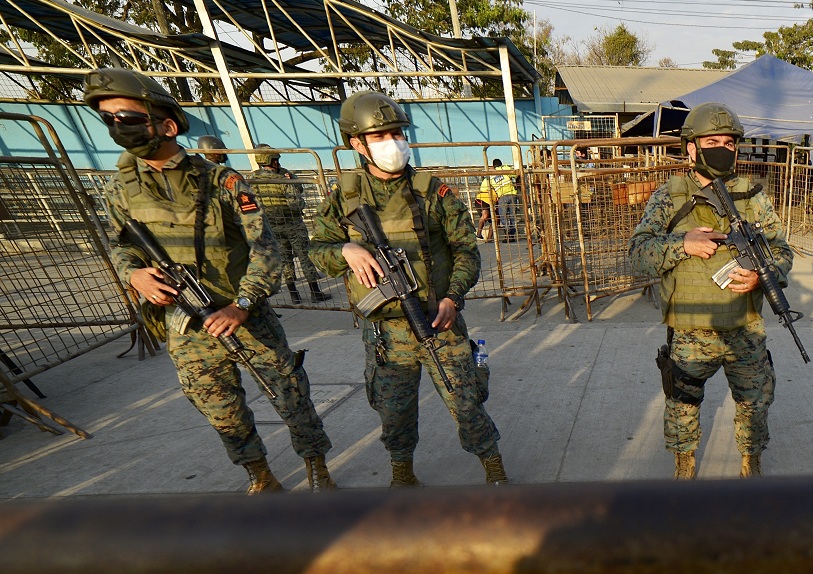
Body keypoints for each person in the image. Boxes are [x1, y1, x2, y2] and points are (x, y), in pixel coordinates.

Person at [83, 67, 336, 493]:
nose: (116, 127)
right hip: (186, 324)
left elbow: (266, 248)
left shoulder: (222, 182)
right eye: (108, 119)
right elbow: (122, 245)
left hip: (244, 314)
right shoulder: (119, 189)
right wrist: (134, 274)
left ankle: (317, 467)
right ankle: (260, 475)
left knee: (290, 393)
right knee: (220, 408)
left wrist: (243, 303)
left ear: (167, 125)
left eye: (126, 117)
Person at [308, 90, 507, 487]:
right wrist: (345, 250)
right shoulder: (344, 196)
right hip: (385, 332)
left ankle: (495, 471)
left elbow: (466, 250)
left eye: (397, 133)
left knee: (466, 402)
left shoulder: (431, 190)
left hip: (438, 321)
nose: (393, 143)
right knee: (393, 412)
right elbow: (317, 250)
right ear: (357, 144)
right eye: (380, 136)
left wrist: (453, 297)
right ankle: (402, 475)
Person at [629, 102, 793, 480]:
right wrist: (682, 243)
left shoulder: (752, 196)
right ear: (691, 147)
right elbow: (638, 254)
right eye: (713, 142)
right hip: (691, 330)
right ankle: (684, 467)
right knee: (682, 407)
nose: (724, 149)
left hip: (744, 327)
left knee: (755, 403)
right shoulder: (669, 196)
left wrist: (763, 275)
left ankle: (751, 464)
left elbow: (782, 252)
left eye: (730, 143)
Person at [246, 144, 332, 304]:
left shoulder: (252, 179)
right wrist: (291, 186)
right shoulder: (283, 177)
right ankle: (315, 292)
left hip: (272, 226)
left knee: (285, 259)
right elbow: (296, 202)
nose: (278, 162)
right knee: (305, 256)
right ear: (270, 160)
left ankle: (294, 295)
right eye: (275, 159)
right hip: (293, 224)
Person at [480, 158, 520, 242]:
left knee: (503, 216)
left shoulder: (490, 174)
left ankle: (508, 234)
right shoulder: (505, 168)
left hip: (502, 197)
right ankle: (512, 234)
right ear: (501, 164)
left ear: (493, 166)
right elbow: (515, 175)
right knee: (512, 215)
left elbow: (483, 188)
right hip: (512, 194)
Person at [474, 170, 496, 242]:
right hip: (483, 200)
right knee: (485, 215)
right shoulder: (488, 181)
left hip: (490, 203)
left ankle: (489, 238)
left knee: (496, 219)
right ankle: (479, 233)